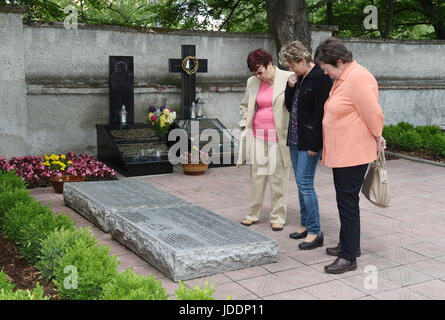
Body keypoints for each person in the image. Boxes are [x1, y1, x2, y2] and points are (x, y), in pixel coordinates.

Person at [314, 37, 386, 274]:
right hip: (343, 152)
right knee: (344, 200)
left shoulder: (358, 77)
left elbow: (373, 112)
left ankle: (349, 257)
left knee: (347, 203)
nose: (326, 74)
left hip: (353, 153)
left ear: (340, 61)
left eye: (327, 69)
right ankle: (348, 245)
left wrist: (378, 136)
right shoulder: (344, 76)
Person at [279, 41, 333, 250]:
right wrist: (290, 86)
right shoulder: (299, 78)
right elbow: (288, 106)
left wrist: (316, 143)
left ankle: (315, 231)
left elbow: (323, 113)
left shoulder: (320, 77)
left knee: (306, 184)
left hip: (309, 141)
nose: (290, 69)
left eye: (292, 65)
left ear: (303, 60)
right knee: (301, 184)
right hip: (295, 138)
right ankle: (305, 223)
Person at [237, 48, 292, 231]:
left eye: (260, 71)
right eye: (254, 73)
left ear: (269, 64)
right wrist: (245, 123)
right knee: (257, 177)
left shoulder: (288, 78)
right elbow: (245, 105)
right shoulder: (252, 82)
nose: (258, 76)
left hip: (279, 136)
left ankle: (278, 216)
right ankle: (253, 214)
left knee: (278, 178)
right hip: (258, 136)